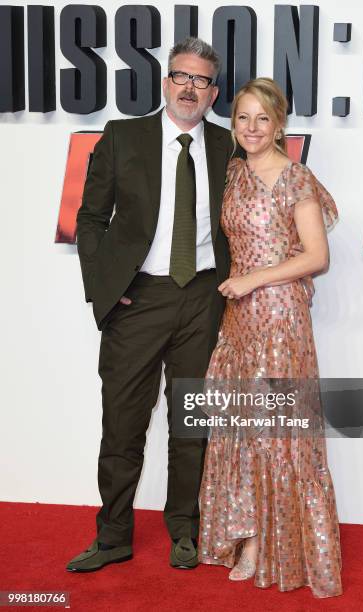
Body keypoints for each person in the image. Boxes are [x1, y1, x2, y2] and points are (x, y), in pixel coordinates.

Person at [66, 37, 234, 572]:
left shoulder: (230, 147)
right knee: (122, 422)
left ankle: (185, 530)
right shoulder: (122, 137)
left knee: (192, 424)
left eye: (201, 80)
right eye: (181, 76)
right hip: (138, 298)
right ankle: (113, 536)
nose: (190, 87)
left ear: (214, 92)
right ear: (165, 83)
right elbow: (90, 220)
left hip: (204, 298)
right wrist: (107, 288)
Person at [198, 78, 343, 598]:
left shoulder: (295, 178)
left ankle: (269, 544)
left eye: (262, 119)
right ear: (233, 124)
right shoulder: (234, 172)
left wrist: (254, 279)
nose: (252, 128)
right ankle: (247, 533)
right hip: (240, 319)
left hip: (280, 319)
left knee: (275, 433)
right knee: (242, 428)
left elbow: (316, 257)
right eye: (243, 118)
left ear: (279, 124)